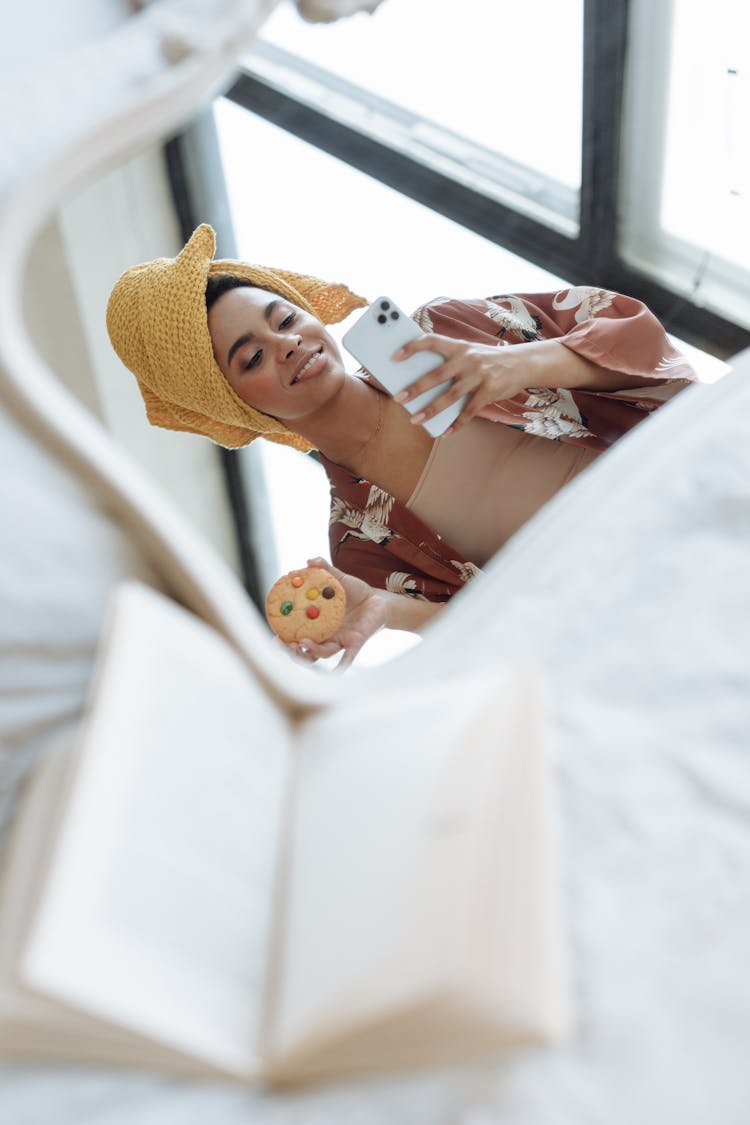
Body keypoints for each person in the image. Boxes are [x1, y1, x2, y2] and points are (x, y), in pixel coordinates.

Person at [107, 224, 696, 668]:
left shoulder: (444, 335)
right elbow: (498, 636)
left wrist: (514, 364)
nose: (286, 344)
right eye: (253, 356)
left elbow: (639, 339)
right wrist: (390, 612)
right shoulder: (357, 546)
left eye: (284, 319)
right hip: (648, 605)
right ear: (235, 403)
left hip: (693, 486)